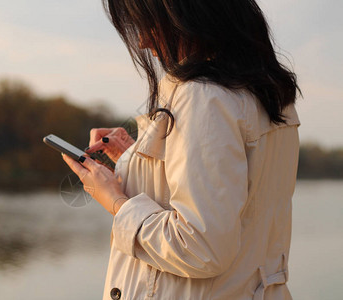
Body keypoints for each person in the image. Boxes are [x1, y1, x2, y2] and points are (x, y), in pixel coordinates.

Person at [62, 0, 301, 299]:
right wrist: (136, 161)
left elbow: (201, 247)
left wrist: (114, 200)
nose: (143, 40)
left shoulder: (203, 95)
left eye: (150, 22)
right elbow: (241, 202)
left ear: (189, 14)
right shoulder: (268, 94)